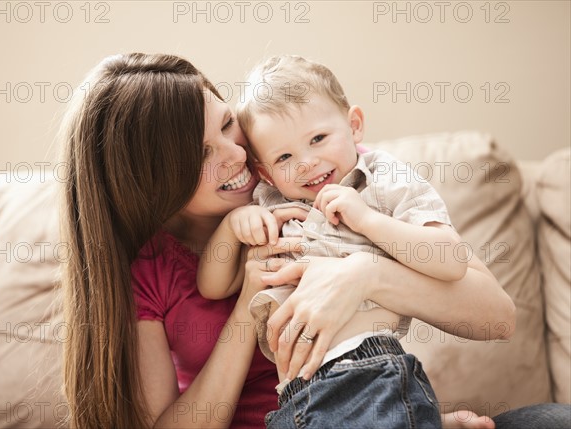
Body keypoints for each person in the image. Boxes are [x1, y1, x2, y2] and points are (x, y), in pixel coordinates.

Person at [59, 52, 567, 429]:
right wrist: (246, 308)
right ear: (153, 182)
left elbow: (496, 315)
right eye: (200, 155)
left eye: (227, 126)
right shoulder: (148, 271)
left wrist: (363, 275)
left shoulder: (323, 175)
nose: (236, 157)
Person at [196, 54, 469, 428]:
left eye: (318, 139)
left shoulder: (380, 181)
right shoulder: (270, 202)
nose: (306, 162)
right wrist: (232, 226)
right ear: (266, 172)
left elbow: (451, 261)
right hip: (293, 398)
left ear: (354, 125)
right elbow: (213, 287)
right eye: (285, 156)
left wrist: (368, 220)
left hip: (367, 369)